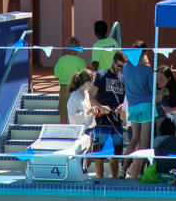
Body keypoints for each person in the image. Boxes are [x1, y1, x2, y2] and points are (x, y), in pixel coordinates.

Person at [90, 50, 127, 179]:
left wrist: (123, 106)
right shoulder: (101, 75)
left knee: (116, 155)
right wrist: (100, 107)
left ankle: (114, 180)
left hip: (117, 121)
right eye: (118, 65)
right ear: (113, 61)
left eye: (123, 66)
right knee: (99, 155)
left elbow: (125, 99)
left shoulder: (123, 78)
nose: (120, 68)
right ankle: (99, 180)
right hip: (102, 120)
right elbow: (91, 96)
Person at [122, 40, 152, 180]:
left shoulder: (126, 68)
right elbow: (151, 89)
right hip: (146, 105)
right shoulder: (147, 70)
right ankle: (139, 172)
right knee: (145, 141)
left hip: (132, 106)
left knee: (134, 138)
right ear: (144, 53)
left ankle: (123, 169)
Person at [54, 36, 87, 124]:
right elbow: (84, 77)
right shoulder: (81, 61)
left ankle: (62, 132)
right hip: (77, 89)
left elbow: (56, 74)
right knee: (78, 116)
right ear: (78, 48)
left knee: (64, 115)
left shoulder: (62, 60)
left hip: (64, 88)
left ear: (67, 47)